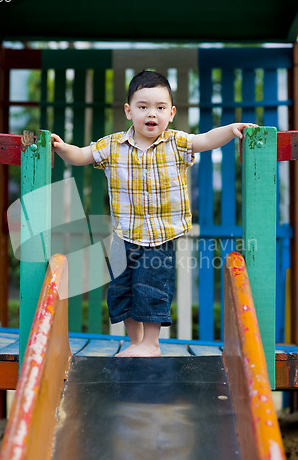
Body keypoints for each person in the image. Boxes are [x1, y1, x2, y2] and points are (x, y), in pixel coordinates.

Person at [51, 70, 256, 358]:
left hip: (160, 237)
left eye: (160, 108)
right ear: (129, 110)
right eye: (143, 106)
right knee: (122, 292)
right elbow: (82, 155)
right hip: (124, 236)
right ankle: (136, 343)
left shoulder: (177, 143)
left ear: (171, 113)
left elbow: (207, 139)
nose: (152, 114)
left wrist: (231, 128)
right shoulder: (112, 145)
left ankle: (151, 343)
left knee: (151, 288)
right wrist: (61, 149)